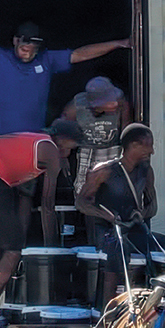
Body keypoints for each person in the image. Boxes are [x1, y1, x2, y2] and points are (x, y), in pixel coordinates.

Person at [75, 124, 165, 328]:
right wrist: (107, 216)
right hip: (109, 232)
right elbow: (82, 202)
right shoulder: (105, 171)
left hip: (135, 229)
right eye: (147, 145)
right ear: (133, 145)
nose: (151, 151)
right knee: (121, 251)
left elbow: (153, 205)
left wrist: (142, 213)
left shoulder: (145, 171)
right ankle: (108, 316)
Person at [0, 0, 131, 137]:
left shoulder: (47, 60)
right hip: (2, 139)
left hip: (34, 140)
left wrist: (118, 43)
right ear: (15, 41)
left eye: (32, 48)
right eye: (24, 46)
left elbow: (81, 54)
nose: (27, 51)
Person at [0, 118, 83, 328]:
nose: (69, 155)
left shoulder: (36, 142)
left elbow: (23, 195)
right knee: (13, 252)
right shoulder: (51, 152)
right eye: (71, 148)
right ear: (63, 141)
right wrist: (53, 249)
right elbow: (47, 205)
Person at [60, 76, 131, 243]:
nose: (113, 103)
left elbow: (127, 129)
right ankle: (94, 242)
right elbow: (63, 131)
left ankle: (116, 240)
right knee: (86, 198)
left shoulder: (121, 103)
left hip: (113, 150)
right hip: (87, 151)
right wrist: (63, 156)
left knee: (114, 196)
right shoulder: (76, 106)